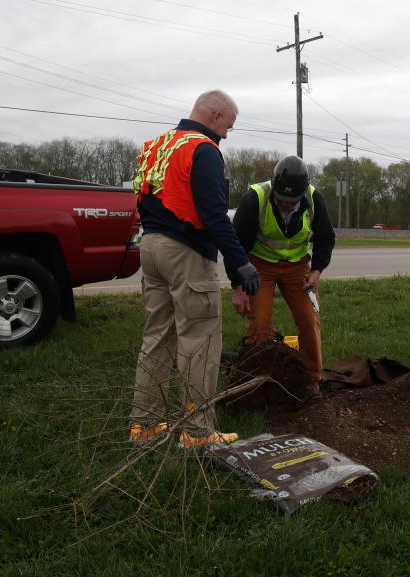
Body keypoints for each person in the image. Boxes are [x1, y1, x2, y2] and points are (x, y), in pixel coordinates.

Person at [129, 90, 260, 449]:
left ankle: (146, 424)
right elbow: (214, 215)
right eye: (228, 126)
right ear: (215, 115)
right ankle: (198, 433)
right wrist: (240, 262)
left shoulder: (157, 145)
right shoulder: (203, 149)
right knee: (199, 341)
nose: (227, 134)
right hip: (185, 253)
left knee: (157, 337)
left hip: (152, 247)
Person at [231, 155, 336, 396]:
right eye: (282, 200)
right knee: (259, 325)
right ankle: (256, 383)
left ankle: (312, 380)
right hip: (259, 267)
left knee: (309, 320)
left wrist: (317, 272)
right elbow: (235, 246)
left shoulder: (314, 200)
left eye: (292, 201)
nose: (287, 205)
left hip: (298, 266)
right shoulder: (254, 199)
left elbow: (325, 239)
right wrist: (238, 287)